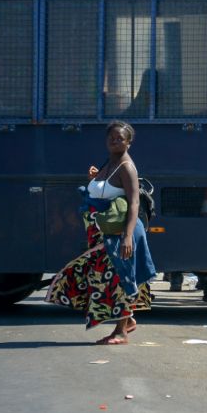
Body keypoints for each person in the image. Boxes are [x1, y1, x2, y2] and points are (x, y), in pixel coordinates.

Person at [46, 121, 156, 345]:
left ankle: (121, 332)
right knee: (108, 279)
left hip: (118, 235)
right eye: (111, 137)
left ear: (129, 142)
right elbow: (106, 192)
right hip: (102, 235)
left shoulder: (126, 166)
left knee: (119, 279)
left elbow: (134, 203)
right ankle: (128, 320)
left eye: (120, 138)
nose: (115, 141)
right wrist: (95, 179)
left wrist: (126, 237)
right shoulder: (110, 163)